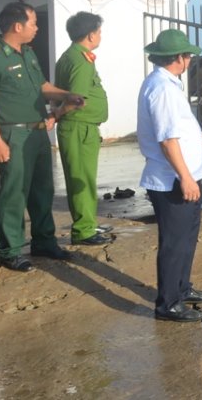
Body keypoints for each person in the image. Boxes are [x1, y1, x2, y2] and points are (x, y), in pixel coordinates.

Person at [0, 2, 85, 272]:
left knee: (42, 191)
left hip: (38, 132)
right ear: (17, 26)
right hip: (13, 133)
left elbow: (43, 87)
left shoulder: (27, 54)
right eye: (34, 23)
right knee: (14, 192)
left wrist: (66, 96)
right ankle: (10, 250)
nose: (37, 28)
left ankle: (44, 241)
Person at [137, 29, 202, 322]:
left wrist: (197, 136)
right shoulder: (163, 88)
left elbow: (176, 129)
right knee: (174, 242)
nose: (190, 61)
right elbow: (167, 139)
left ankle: (182, 288)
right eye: (188, 56)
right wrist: (185, 177)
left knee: (186, 238)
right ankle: (168, 303)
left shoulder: (167, 84)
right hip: (172, 180)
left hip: (181, 175)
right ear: (178, 59)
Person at [54, 12, 112, 246]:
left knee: (85, 178)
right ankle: (83, 230)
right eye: (99, 31)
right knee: (81, 179)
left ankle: (87, 222)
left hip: (82, 127)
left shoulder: (71, 57)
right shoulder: (80, 60)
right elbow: (76, 99)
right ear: (90, 34)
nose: (100, 35)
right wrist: (57, 114)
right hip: (79, 127)